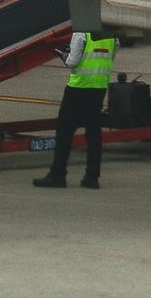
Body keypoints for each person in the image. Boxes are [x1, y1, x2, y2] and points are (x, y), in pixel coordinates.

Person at [32, 29, 116, 189]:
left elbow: (72, 62)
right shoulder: (111, 36)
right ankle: (92, 177)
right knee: (93, 134)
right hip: (99, 87)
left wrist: (63, 55)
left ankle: (58, 174)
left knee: (64, 132)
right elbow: (110, 57)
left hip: (78, 88)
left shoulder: (82, 33)